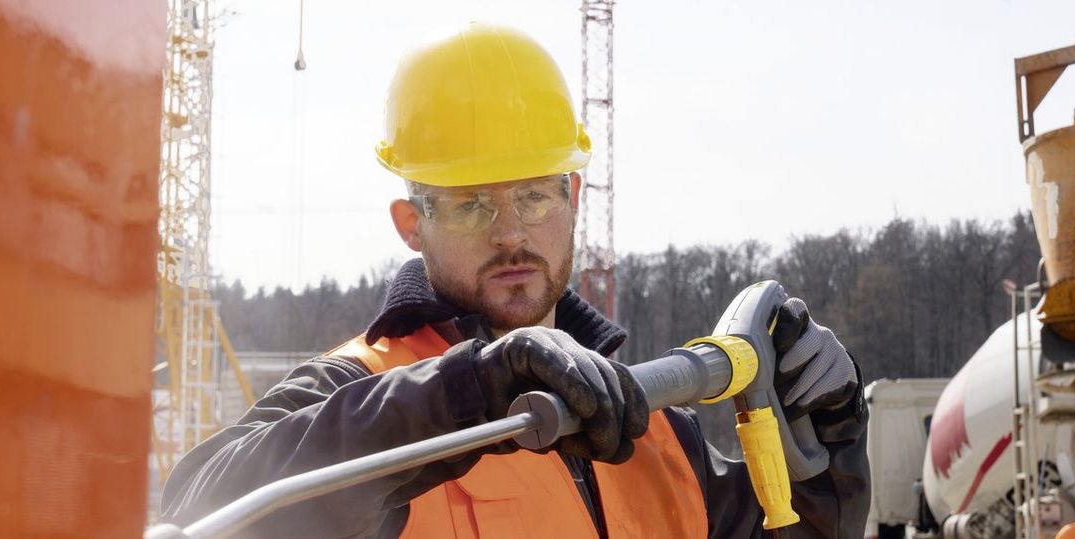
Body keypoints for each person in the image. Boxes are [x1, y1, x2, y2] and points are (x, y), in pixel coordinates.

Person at [159, 22, 869, 538]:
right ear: (412, 223)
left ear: (574, 199)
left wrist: (825, 469)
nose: (510, 233)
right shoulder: (356, 392)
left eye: (534, 195)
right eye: (471, 204)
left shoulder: (658, 434)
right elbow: (199, 505)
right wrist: (469, 390)